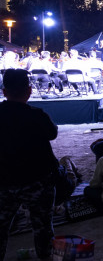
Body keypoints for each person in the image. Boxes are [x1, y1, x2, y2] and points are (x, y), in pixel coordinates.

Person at [0, 69, 58, 260]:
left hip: (4, 182)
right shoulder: (37, 115)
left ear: (4, 91)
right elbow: (52, 133)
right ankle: (44, 257)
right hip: (38, 181)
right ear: (29, 91)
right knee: (42, 227)